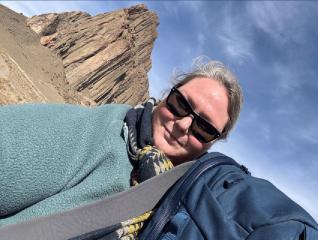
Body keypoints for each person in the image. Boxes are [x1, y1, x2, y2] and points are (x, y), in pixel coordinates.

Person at [0, 58, 243, 230]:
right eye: (181, 104)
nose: (182, 125)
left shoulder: (187, 210)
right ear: (168, 95)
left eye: (203, 127)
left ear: (213, 142)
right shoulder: (96, 130)